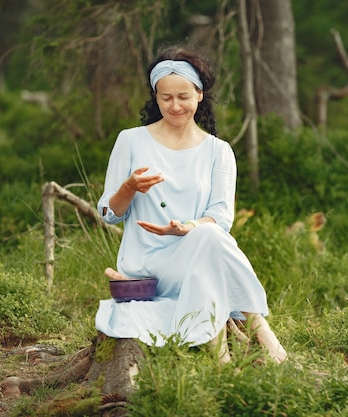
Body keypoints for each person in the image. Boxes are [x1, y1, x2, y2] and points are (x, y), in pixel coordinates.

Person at [94, 44, 287, 364]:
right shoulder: (131, 140)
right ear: (155, 98)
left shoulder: (218, 150)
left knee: (209, 236)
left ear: (199, 94)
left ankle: (227, 355)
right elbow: (109, 215)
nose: (175, 105)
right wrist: (128, 187)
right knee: (210, 242)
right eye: (166, 97)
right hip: (148, 263)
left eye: (183, 96)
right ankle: (259, 328)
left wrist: (188, 228)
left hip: (198, 252)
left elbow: (220, 217)